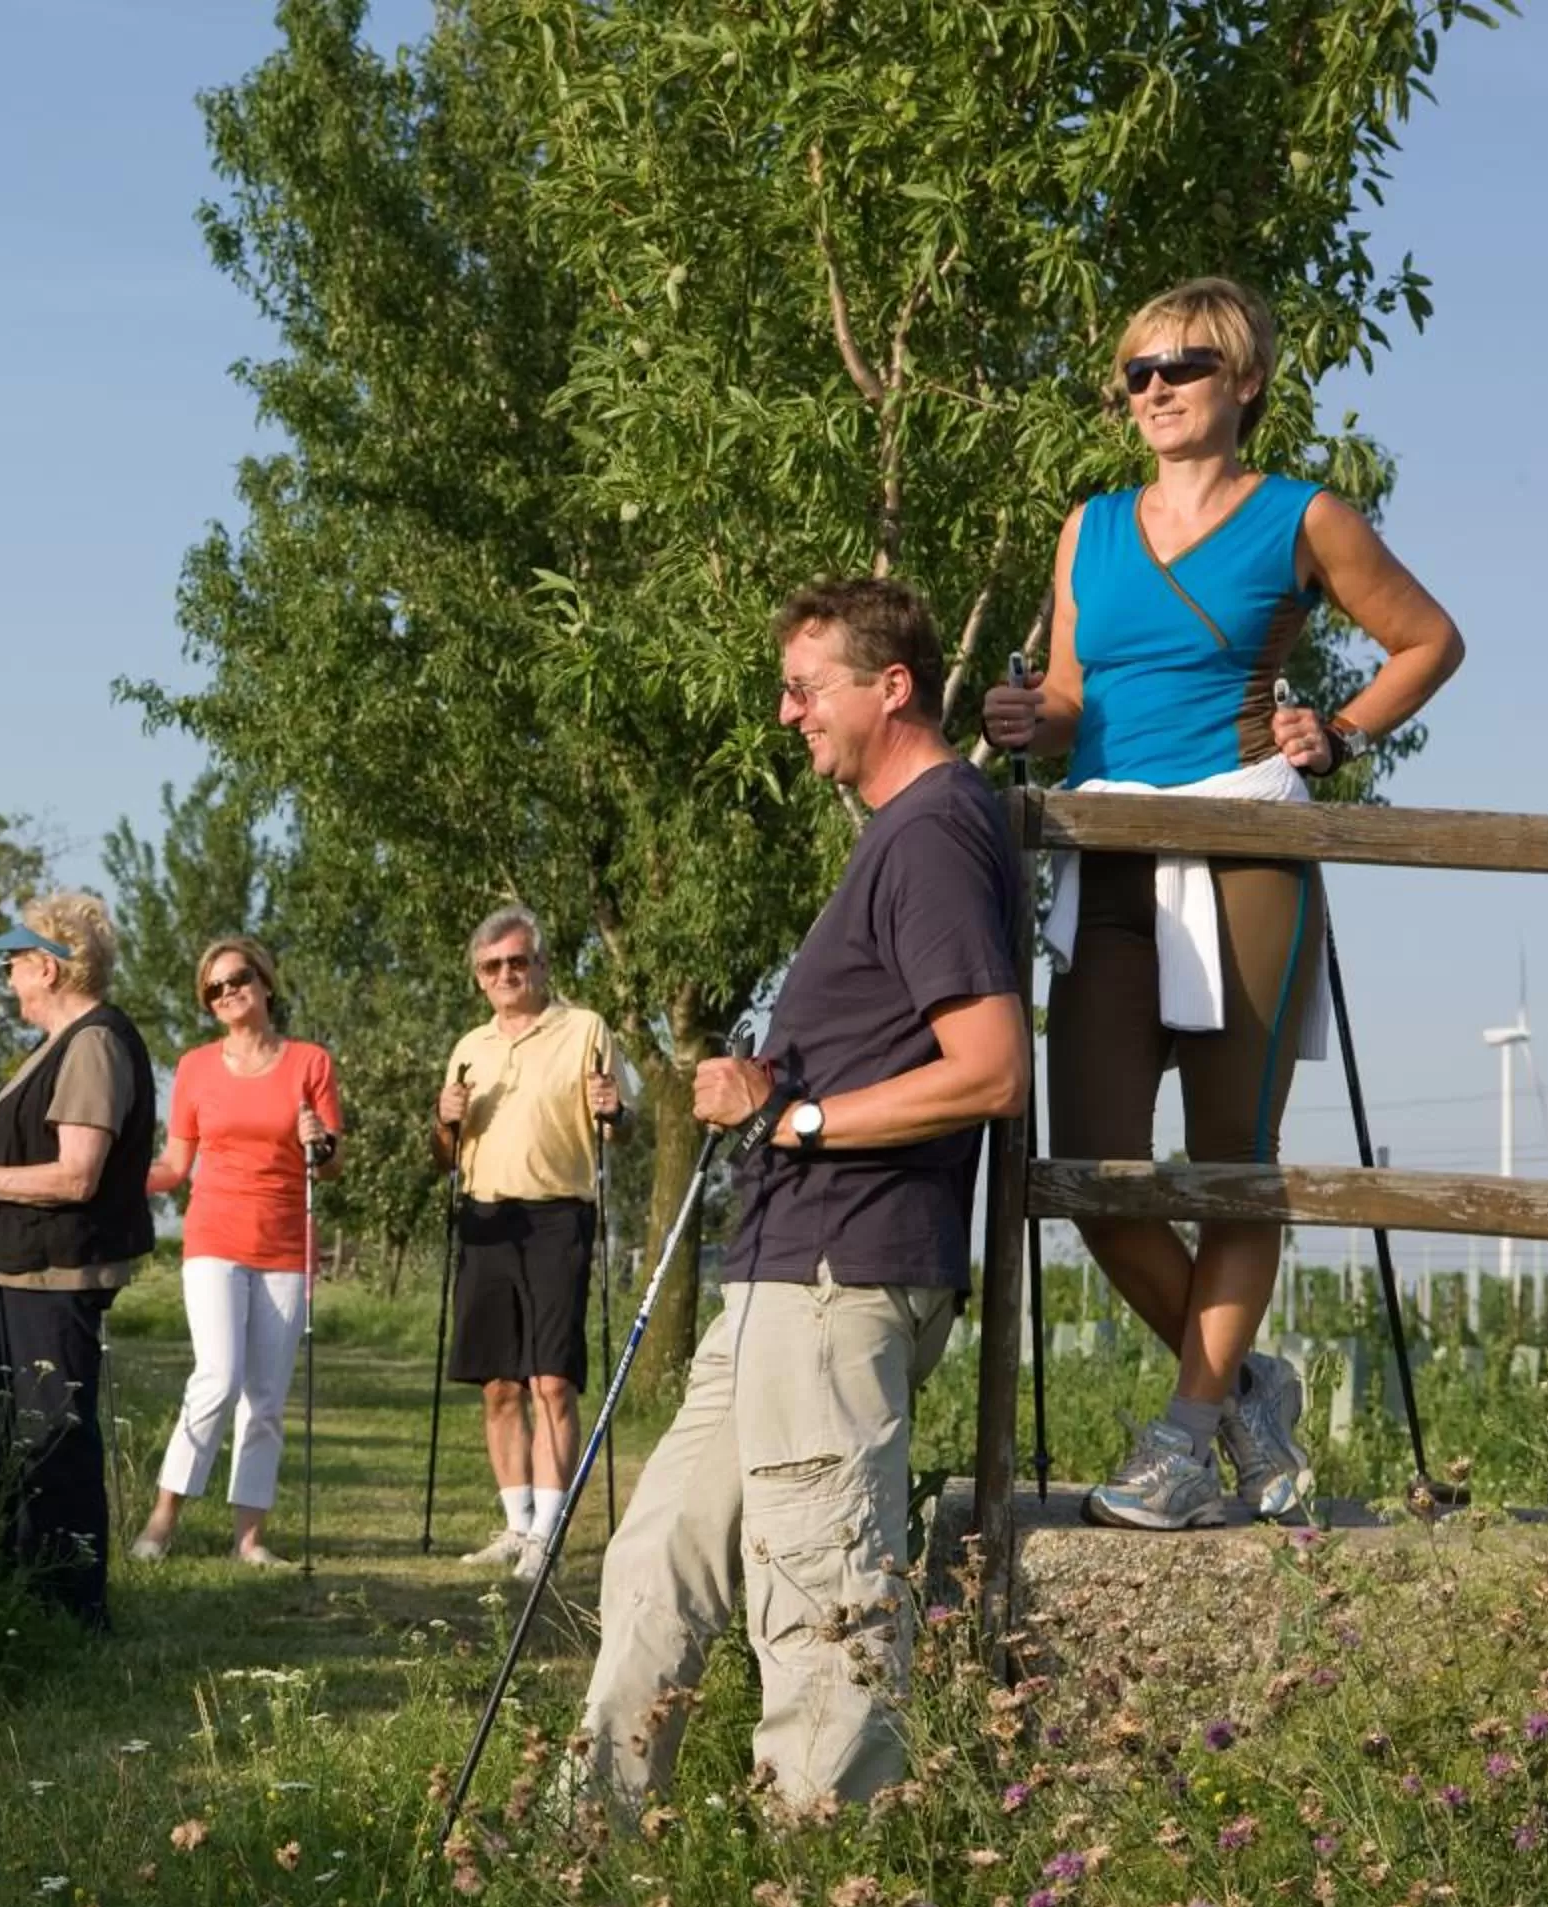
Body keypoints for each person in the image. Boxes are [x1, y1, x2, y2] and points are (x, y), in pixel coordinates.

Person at [982, 276, 1463, 1531]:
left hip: (1247, 851)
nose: (1153, 392)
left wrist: (1340, 732)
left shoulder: (1305, 516)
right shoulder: (1087, 526)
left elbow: (1429, 639)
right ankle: (1252, 1388)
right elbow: (1082, 693)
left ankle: (1187, 1437)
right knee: (1092, 1172)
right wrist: (1037, 718)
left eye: (1180, 367)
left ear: (1244, 380)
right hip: (1109, 858)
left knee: (1231, 1167)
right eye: (1134, 375)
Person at [578, 578, 1030, 1817]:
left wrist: (801, 1115)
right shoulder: (896, 834)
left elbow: (990, 1067)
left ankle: (825, 1895)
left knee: (818, 1591)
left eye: (806, 686)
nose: (787, 714)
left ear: (892, 687)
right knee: (658, 1554)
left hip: (841, 1275)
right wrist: (779, 1079)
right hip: (781, 1273)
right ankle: (587, 1850)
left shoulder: (935, 827)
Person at [0, 894, 154, 1632]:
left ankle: (72, 1613)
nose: (11, 978)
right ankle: (24, 1594)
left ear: (47, 967)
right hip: (26, 1273)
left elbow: (75, 1175)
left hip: (59, 1274)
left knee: (55, 1441)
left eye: (16, 963)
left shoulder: (94, 1043)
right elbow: (22, 1151)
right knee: (19, 1439)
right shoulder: (60, 1044)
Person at [432, 906, 628, 1582]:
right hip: (485, 1219)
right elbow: (443, 1153)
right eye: (493, 967)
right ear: (479, 979)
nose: (507, 974)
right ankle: (516, 1526)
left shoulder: (584, 1029)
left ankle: (549, 1530)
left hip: (556, 1216)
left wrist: (611, 1108)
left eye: (518, 961)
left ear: (542, 965)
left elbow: (615, 1129)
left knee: (551, 1379)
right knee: (498, 1385)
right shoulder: (470, 1047)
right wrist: (444, 1120)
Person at [133, 936, 344, 1567]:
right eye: (215, 988)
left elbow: (331, 1166)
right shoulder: (195, 1067)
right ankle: (161, 1522)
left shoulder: (310, 1063)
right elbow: (175, 1166)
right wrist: (113, 1175)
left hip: (284, 1245)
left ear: (265, 982)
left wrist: (319, 1144)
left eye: (238, 979)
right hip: (215, 1240)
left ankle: (248, 1539)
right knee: (217, 1380)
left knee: (266, 1401)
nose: (228, 992)